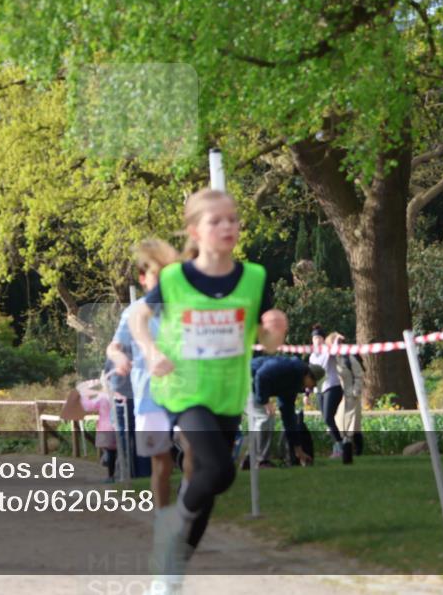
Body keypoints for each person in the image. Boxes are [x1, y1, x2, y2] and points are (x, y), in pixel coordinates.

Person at [128, 188, 288, 590]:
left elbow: (265, 344)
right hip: (183, 389)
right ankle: (172, 525)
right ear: (195, 231)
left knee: (209, 480)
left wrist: (275, 333)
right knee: (219, 469)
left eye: (232, 219)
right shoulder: (175, 278)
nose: (228, 227)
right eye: (216, 221)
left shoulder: (254, 279)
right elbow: (139, 318)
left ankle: (171, 571)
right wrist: (149, 351)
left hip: (226, 393)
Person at [107, 238, 179, 505]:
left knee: (195, 449)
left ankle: (189, 507)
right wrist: (118, 358)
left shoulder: (184, 308)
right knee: (163, 463)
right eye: (157, 275)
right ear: (142, 278)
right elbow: (114, 346)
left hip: (186, 392)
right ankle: (163, 515)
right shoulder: (133, 312)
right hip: (150, 396)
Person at [251, 354, 325, 466]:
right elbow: (261, 375)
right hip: (245, 377)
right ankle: (260, 461)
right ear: (309, 376)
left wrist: (298, 450)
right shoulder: (290, 367)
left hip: (253, 382)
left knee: (266, 418)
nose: (310, 388)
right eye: (313, 384)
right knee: (265, 417)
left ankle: (250, 459)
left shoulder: (294, 383)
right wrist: (264, 401)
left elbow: (288, 417)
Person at [309, 326, 344, 458]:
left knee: (328, 418)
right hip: (319, 390)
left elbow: (335, 350)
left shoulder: (327, 350)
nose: (316, 341)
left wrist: (337, 341)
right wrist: (308, 393)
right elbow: (311, 375)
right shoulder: (312, 356)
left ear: (323, 340)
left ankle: (340, 446)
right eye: (314, 338)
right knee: (327, 421)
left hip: (332, 387)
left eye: (318, 338)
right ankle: (337, 447)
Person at [80, 376, 118, 482]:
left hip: (106, 427)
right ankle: (120, 473)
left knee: (110, 452)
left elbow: (88, 406)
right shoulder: (119, 394)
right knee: (119, 451)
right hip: (120, 426)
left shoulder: (102, 396)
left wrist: (84, 395)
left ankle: (111, 476)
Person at [336, 346, 365, 459]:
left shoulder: (349, 358)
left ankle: (357, 451)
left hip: (351, 396)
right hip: (338, 397)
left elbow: (359, 375)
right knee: (339, 425)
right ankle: (342, 450)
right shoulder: (330, 359)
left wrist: (356, 391)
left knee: (353, 426)